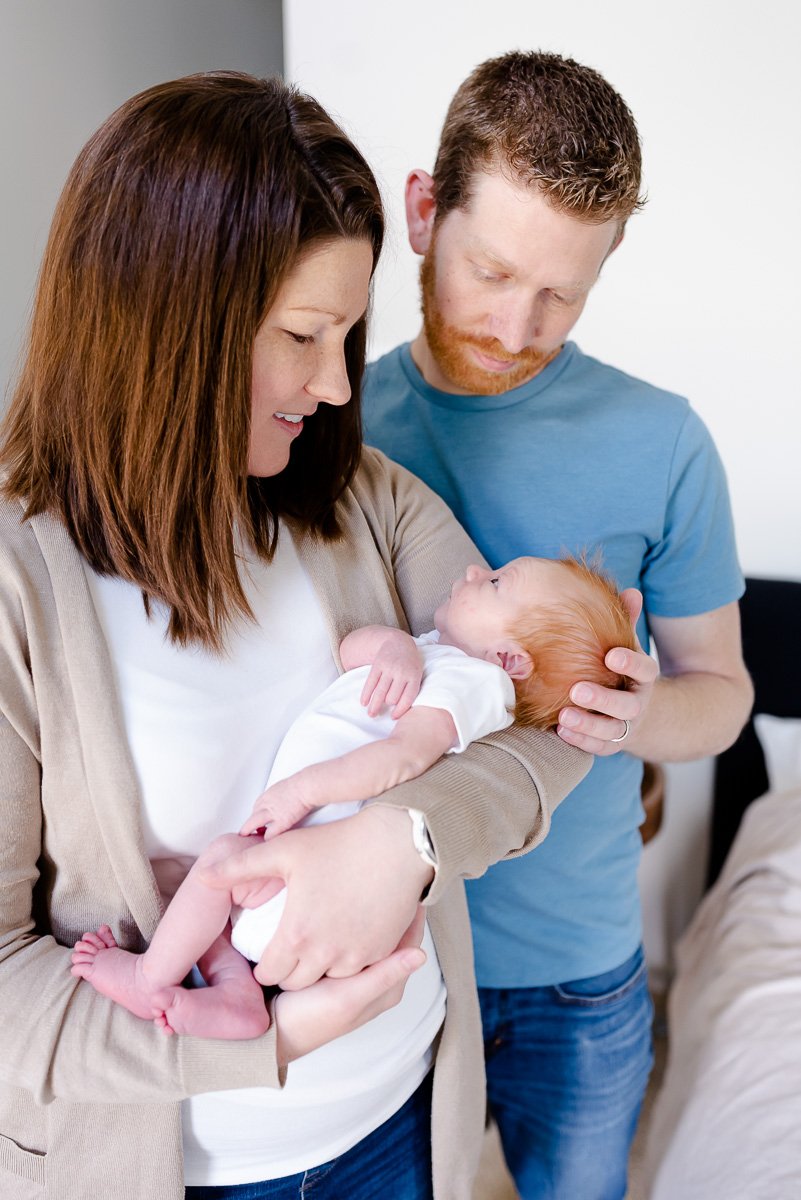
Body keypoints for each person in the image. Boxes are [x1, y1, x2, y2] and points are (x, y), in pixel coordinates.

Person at [0, 71, 593, 1200]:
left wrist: (403, 840)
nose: (335, 383)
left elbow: (554, 700)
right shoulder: (18, 589)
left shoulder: (359, 496)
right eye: (304, 335)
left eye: (351, 333)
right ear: (163, 316)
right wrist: (257, 1042)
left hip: (406, 1116)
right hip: (198, 1169)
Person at [362, 49, 754, 1200]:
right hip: (388, 959)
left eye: (563, 294)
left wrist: (635, 715)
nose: (517, 324)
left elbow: (720, 694)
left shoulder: (663, 440)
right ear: (423, 212)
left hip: (579, 982)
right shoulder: (330, 427)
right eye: (492, 270)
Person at [71, 554, 637, 1039]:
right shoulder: (444, 656)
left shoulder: (473, 684)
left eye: (493, 583)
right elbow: (347, 655)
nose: (472, 568)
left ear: (509, 660)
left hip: (317, 868)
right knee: (210, 897)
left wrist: (301, 791)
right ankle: (237, 995)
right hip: (307, 873)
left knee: (216, 867)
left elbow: (403, 758)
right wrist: (394, 647)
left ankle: (150, 980)